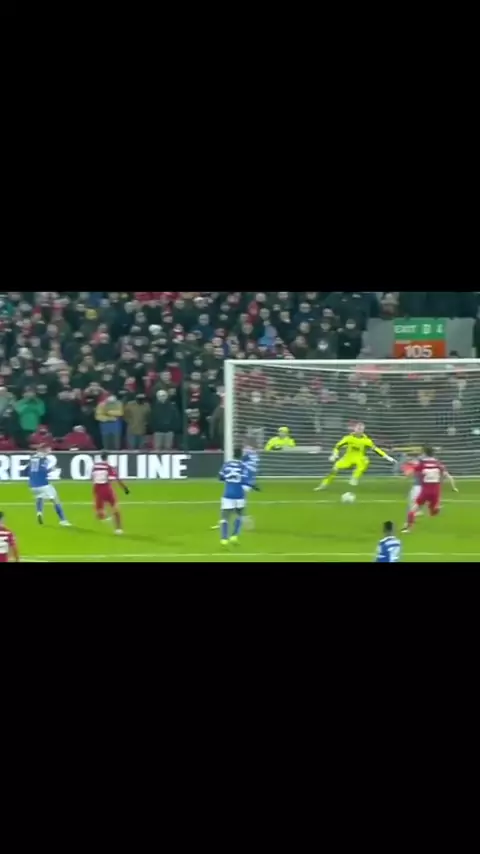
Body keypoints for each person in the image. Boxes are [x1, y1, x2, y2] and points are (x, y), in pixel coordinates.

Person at [314, 422, 396, 492]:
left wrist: (388, 457)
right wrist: (334, 454)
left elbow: (376, 450)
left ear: (363, 430)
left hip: (359, 458)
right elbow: (337, 446)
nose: (359, 430)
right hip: (348, 458)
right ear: (354, 429)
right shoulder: (348, 438)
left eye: (361, 429)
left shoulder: (367, 441)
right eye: (358, 428)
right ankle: (324, 484)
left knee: (365, 461)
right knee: (334, 468)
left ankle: (354, 477)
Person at [402, 445, 458, 533]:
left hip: (425, 490)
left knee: (413, 509)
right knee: (433, 513)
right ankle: (436, 508)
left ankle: (408, 528)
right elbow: (448, 476)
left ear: (424, 453)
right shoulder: (438, 464)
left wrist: (406, 472)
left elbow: (409, 473)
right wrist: (454, 487)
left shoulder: (422, 464)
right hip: (436, 491)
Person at [26, 445, 71, 526]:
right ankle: (63, 520)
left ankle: (39, 512)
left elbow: (26, 470)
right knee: (56, 500)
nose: (50, 451)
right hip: (43, 484)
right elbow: (43, 471)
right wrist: (51, 470)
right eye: (48, 449)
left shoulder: (32, 458)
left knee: (40, 497)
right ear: (44, 450)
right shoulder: (44, 459)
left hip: (32, 485)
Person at [218, 447, 253, 546]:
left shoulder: (227, 464)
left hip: (228, 494)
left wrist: (228, 479)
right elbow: (247, 484)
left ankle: (224, 539)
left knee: (225, 517)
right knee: (239, 515)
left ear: (233, 454)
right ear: (241, 455)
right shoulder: (244, 467)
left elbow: (220, 477)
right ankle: (234, 536)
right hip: (239, 495)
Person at [92, 452, 130, 534]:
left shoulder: (95, 466)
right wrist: (125, 488)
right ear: (107, 458)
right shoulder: (108, 467)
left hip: (96, 488)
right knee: (115, 507)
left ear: (101, 457)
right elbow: (116, 479)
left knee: (99, 511)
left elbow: (92, 478)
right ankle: (118, 529)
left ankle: (104, 517)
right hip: (106, 488)